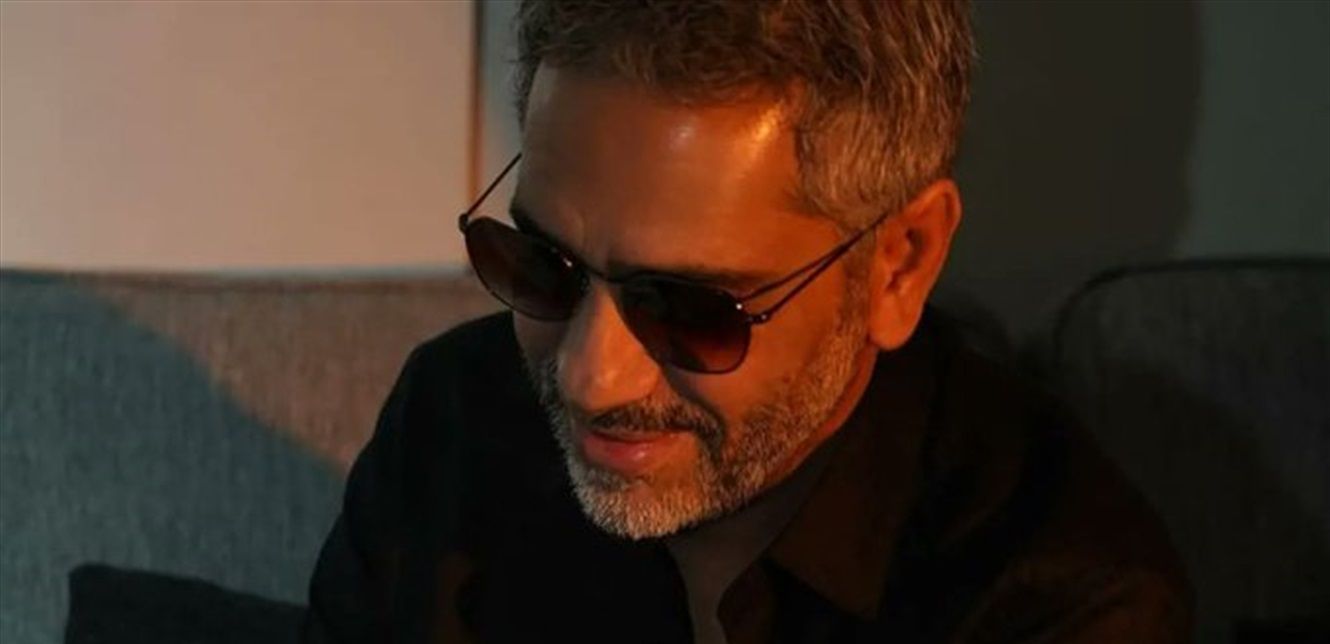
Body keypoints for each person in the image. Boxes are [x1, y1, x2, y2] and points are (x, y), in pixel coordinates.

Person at [303, 1, 1190, 642]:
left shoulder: (1062, 599)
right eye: (542, 263)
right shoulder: (455, 419)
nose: (588, 377)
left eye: (690, 308)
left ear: (900, 264)